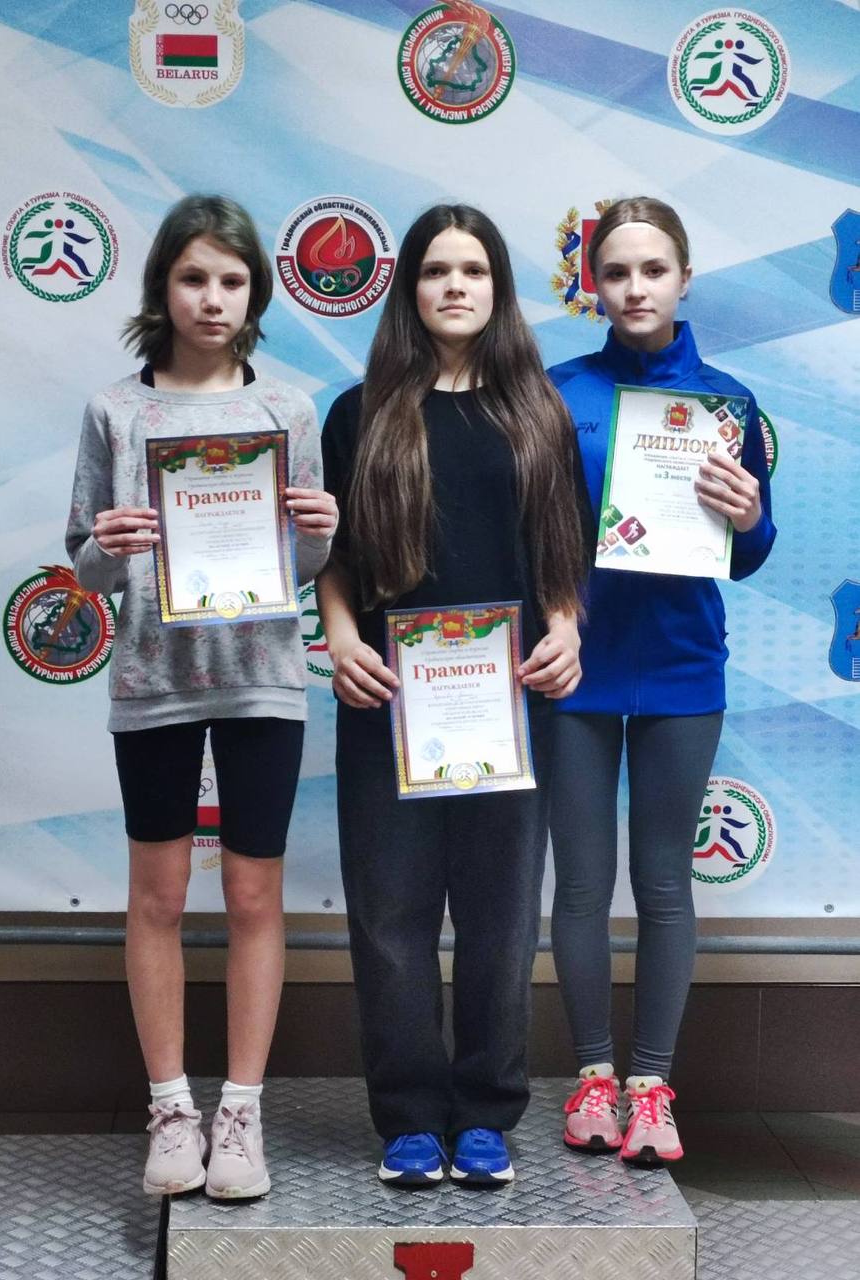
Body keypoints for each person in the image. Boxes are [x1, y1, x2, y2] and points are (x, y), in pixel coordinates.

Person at [65, 194, 336, 1198]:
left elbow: (304, 565)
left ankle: (242, 1112)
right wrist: (108, 547)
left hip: (263, 679)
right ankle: (172, 1107)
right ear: (162, 288)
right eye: (193, 278)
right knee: (160, 896)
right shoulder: (115, 410)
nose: (211, 299)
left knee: (255, 894)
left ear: (255, 293)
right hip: (154, 680)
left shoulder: (288, 410)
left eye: (230, 280)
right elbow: (85, 567)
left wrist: (320, 533)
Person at [316, 204, 591, 1187]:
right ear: (410, 289)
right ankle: (406, 1116)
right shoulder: (359, 412)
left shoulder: (537, 411)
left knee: (500, 917)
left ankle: (483, 1112)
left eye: (473, 269)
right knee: (389, 918)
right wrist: (340, 637)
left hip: (508, 703)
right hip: (387, 698)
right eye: (436, 270)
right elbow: (333, 555)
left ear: (498, 287)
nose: (455, 286)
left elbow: (562, 550)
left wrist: (566, 628)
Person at [548, 196, 775, 1165]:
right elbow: (528, 533)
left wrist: (749, 513)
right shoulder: (557, 392)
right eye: (616, 272)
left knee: (664, 883)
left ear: (684, 278)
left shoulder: (728, 404)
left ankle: (649, 1087)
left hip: (683, 665)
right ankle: (592, 1078)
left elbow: (750, 553)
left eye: (653, 269)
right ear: (593, 285)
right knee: (581, 883)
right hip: (575, 666)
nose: (635, 288)